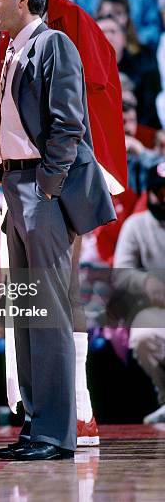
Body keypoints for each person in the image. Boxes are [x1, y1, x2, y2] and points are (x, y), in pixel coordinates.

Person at [0, 0, 126, 452]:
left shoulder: (56, 40)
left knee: (47, 310)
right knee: (26, 312)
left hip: (40, 188)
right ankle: (35, 423)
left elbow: (71, 124)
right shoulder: (15, 47)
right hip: (16, 184)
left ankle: (55, 431)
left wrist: (46, 187)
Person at [113, 160, 165, 424]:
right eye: (164, 192)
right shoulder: (137, 225)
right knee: (144, 334)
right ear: (151, 192)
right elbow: (120, 273)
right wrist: (145, 282)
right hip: (158, 307)